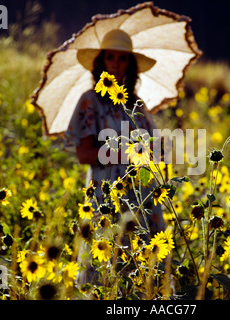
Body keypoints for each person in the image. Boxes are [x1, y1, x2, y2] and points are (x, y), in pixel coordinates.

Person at [63, 29, 165, 251]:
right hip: (107, 193)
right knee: (105, 259)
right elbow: (84, 154)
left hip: (142, 194)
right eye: (110, 57)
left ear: (130, 64)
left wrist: (157, 150)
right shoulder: (90, 101)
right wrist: (130, 154)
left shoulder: (135, 103)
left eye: (122, 58)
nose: (116, 64)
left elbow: (156, 150)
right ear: (101, 62)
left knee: (145, 264)